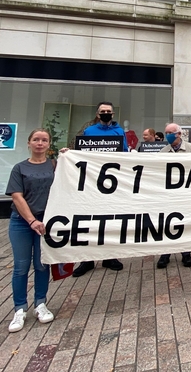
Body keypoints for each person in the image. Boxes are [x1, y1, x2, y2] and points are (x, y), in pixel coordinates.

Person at [5, 128, 55, 333]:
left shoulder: (55, 165)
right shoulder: (19, 168)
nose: (40, 143)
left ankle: (41, 303)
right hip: (22, 223)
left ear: (49, 144)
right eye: (36, 139)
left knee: (42, 264)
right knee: (21, 266)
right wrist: (31, 220)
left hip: (47, 222)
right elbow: (17, 196)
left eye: (44, 140)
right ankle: (20, 309)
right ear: (29, 143)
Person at [72, 102, 125, 276]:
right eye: (103, 112)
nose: (106, 114)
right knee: (89, 220)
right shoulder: (89, 132)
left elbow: (124, 155)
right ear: (97, 113)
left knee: (110, 220)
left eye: (108, 111)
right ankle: (87, 260)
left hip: (112, 183)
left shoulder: (119, 132)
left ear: (113, 113)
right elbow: (81, 153)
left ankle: (110, 256)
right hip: (92, 183)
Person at [156, 123, 191, 268]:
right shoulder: (162, 152)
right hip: (169, 195)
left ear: (179, 134)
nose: (167, 134)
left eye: (170, 132)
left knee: (185, 222)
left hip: (186, 194)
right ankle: (165, 253)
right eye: (166, 132)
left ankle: (186, 253)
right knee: (167, 224)